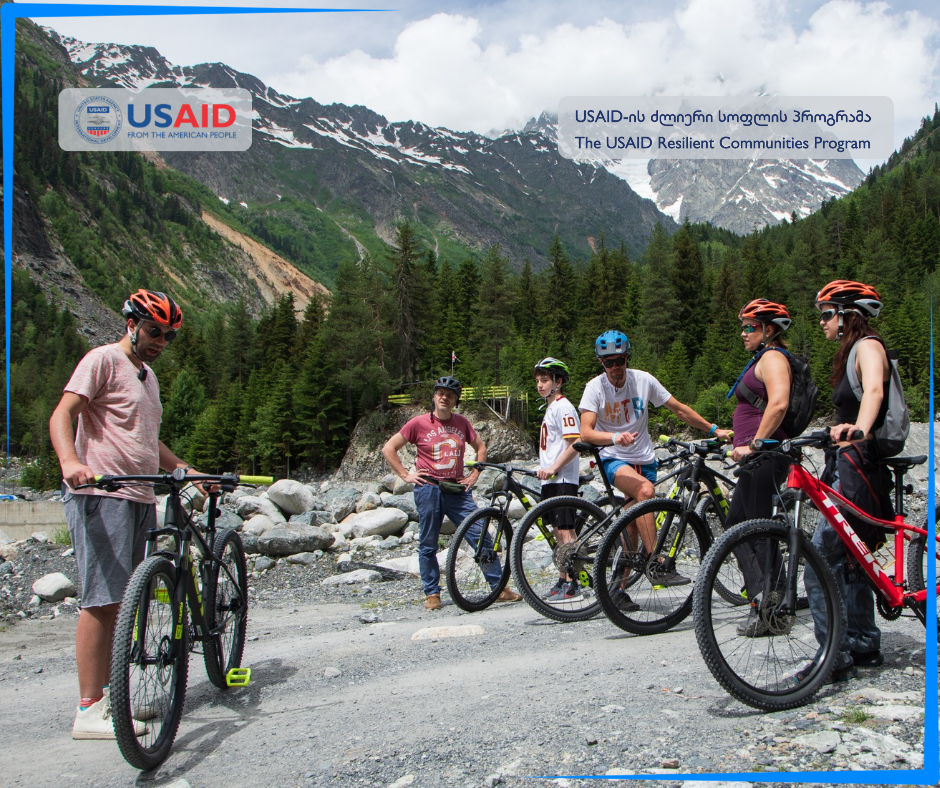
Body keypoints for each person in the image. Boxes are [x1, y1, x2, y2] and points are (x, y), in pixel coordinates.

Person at [49, 289, 207, 739]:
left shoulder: (148, 376)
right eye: (154, 332)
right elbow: (63, 414)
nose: (160, 341)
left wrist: (185, 470)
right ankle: (88, 708)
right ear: (132, 324)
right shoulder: (101, 360)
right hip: (102, 494)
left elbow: (145, 442)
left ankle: (106, 700)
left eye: (168, 336)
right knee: (102, 600)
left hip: (140, 496)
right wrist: (71, 464)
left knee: (123, 600)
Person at [579, 331, 732, 605]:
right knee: (646, 491)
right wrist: (614, 437)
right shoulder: (595, 388)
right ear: (601, 363)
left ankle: (617, 590)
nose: (615, 367)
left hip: (645, 460)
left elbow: (679, 409)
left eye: (620, 360)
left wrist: (713, 429)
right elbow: (586, 433)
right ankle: (656, 563)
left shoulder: (643, 380)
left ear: (627, 358)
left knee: (632, 532)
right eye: (608, 362)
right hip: (614, 458)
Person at [800, 279, 897, 683]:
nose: (821, 322)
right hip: (852, 459)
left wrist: (858, 428)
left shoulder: (869, 346)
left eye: (826, 314)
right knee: (851, 555)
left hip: (861, 459)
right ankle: (862, 642)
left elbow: (874, 390)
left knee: (822, 554)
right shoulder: (850, 352)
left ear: (847, 315)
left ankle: (833, 654)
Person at [381, 377, 522, 610]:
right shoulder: (417, 423)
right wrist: (406, 475)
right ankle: (432, 593)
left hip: (457, 488)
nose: (444, 397)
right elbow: (389, 448)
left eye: (450, 394)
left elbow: (481, 447)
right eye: (440, 393)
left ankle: (498, 588)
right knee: (428, 543)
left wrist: (476, 472)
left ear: (455, 400)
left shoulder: (462, 422)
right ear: (434, 397)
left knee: (480, 535)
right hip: (428, 488)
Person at [724, 299, 794, 636]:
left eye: (749, 326)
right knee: (742, 525)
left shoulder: (774, 358)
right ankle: (770, 599)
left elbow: (778, 403)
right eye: (743, 326)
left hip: (764, 455)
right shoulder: (762, 359)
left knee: (751, 528)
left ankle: (770, 606)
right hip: (756, 454)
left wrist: (753, 444)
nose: (743, 333)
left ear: (769, 329)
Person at [532, 358, 583, 603]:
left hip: (562, 476)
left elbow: (575, 443)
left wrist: (553, 467)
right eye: (538, 381)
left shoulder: (563, 406)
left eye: (545, 380)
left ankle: (574, 582)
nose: (540, 385)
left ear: (558, 382)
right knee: (556, 530)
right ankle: (564, 577)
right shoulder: (550, 407)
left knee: (565, 531)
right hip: (550, 478)